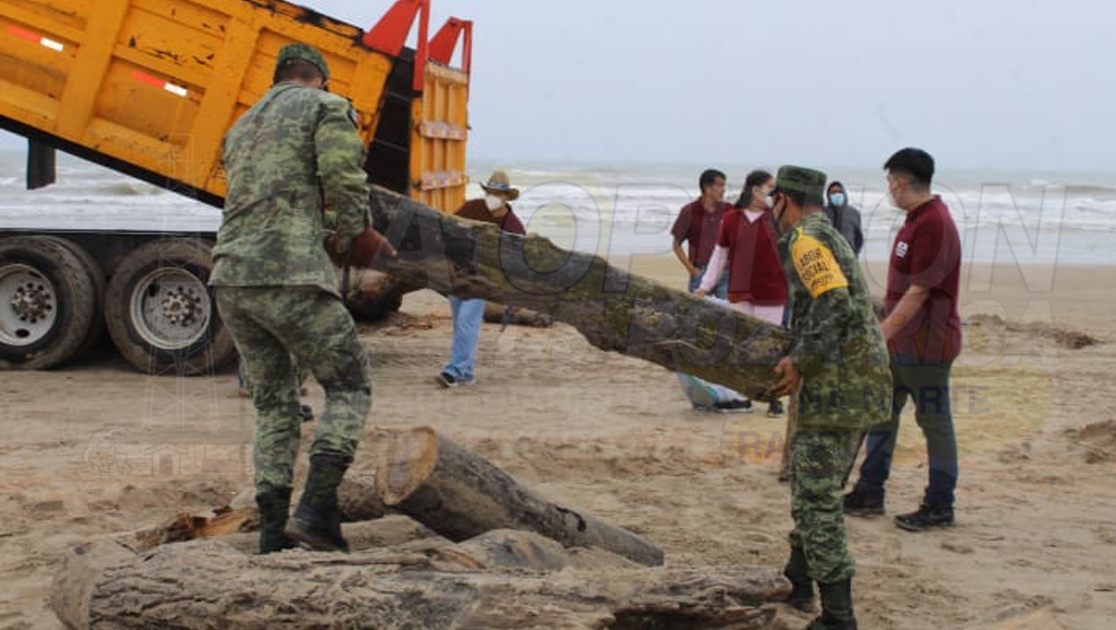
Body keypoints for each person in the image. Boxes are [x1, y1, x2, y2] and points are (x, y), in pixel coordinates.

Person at [211, 43, 394, 554]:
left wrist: (333, 231)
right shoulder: (325, 107)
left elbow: (277, 209)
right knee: (350, 386)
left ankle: (273, 536)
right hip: (289, 276)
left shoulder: (241, 128)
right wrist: (359, 233)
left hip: (231, 279)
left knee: (274, 406)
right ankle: (314, 510)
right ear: (320, 79)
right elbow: (342, 175)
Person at [768, 165, 891, 630]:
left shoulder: (804, 239)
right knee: (812, 487)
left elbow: (833, 302)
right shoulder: (827, 232)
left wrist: (801, 360)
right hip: (858, 384)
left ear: (785, 199)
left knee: (817, 501)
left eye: (773, 202)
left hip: (838, 389)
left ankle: (839, 616)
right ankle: (798, 580)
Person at [843, 148, 963, 532]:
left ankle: (940, 504)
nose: (889, 190)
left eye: (890, 182)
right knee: (881, 414)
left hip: (927, 346)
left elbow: (920, 291)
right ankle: (869, 491)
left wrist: (882, 333)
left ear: (900, 181)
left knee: (935, 423)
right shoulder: (914, 221)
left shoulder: (935, 224)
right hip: (900, 344)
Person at [697, 169, 789, 416]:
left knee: (769, 347)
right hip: (739, 291)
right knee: (742, 345)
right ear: (755, 190)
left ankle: (774, 399)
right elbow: (719, 256)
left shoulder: (778, 219)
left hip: (772, 292)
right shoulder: (732, 219)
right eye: (771, 187)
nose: (775, 193)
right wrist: (704, 288)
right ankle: (741, 398)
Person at [437, 170, 526, 388]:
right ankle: (467, 373)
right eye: (490, 192)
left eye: (497, 194)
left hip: (483, 280)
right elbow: (448, 228)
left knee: (468, 320)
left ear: (506, 197)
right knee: (461, 324)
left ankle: (454, 371)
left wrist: (515, 295)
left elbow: (519, 263)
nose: (492, 197)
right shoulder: (472, 208)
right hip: (457, 275)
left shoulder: (512, 225)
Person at [671, 169, 732, 298]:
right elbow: (676, 245)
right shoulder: (689, 211)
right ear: (707, 187)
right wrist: (691, 270)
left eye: (724, 185)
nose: (724, 189)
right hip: (700, 273)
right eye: (720, 185)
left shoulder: (730, 210)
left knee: (728, 316)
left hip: (725, 274)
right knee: (697, 316)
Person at [823, 182, 864, 256]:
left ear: (844, 193)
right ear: (828, 196)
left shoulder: (854, 213)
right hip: (827, 257)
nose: (837, 194)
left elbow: (859, 238)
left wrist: (855, 255)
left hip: (848, 257)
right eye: (833, 192)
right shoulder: (822, 213)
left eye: (840, 192)